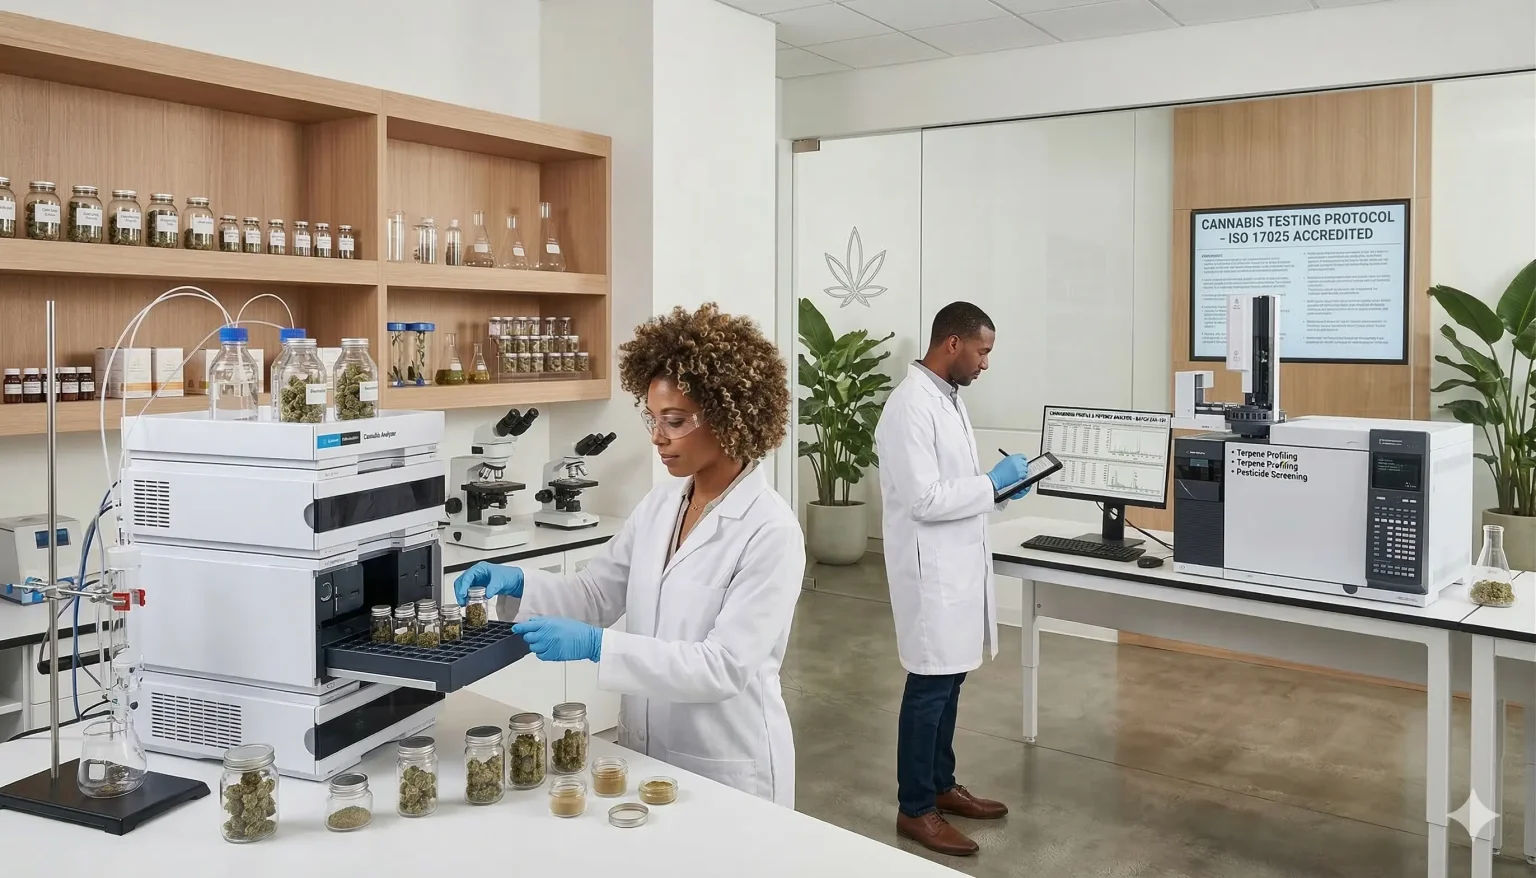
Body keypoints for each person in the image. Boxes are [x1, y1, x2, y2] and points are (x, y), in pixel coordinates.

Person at [452, 303, 804, 806]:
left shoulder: (770, 530)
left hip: (727, 764)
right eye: (653, 418)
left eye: (675, 421)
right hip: (645, 754)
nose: (658, 437)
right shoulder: (661, 505)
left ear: (729, 417)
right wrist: (520, 583)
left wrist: (600, 647)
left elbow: (722, 667)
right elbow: (596, 593)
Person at [873, 301, 1030, 856]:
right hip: (929, 571)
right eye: (983, 351)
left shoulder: (948, 399)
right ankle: (915, 808)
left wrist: (1000, 491)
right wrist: (990, 484)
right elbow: (925, 499)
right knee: (929, 686)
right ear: (954, 344)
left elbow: (957, 486)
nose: (986, 363)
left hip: (957, 565)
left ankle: (941, 784)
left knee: (951, 679)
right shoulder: (909, 406)